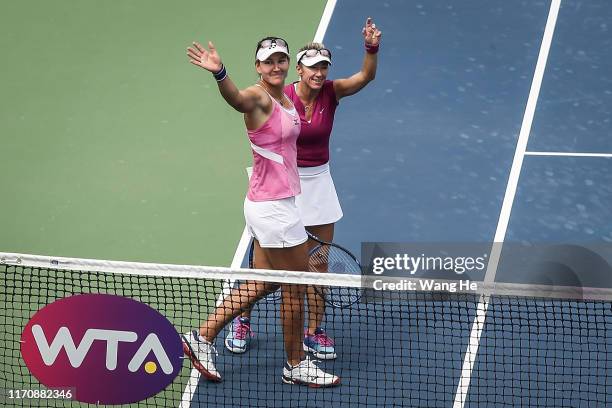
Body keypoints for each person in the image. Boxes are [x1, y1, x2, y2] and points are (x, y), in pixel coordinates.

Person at [182, 36, 339, 387]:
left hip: (273, 203)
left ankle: (201, 337)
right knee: (295, 288)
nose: (276, 66)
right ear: (258, 66)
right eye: (269, 61)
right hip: (273, 210)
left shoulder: (286, 98)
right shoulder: (257, 96)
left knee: (264, 281)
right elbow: (237, 100)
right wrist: (220, 73)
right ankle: (295, 364)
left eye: (281, 59)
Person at [227, 18, 382, 360]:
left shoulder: (332, 92)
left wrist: (371, 47)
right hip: (282, 186)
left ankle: (314, 330)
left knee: (318, 262)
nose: (319, 73)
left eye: (324, 67)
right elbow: (247, 109)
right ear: (299, 69)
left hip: (319, 185)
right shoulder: (281, 96)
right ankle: (243, 321)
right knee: (261, 263)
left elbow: (366, 77)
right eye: (312, 67)